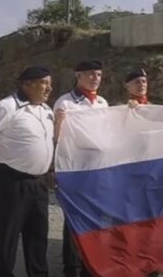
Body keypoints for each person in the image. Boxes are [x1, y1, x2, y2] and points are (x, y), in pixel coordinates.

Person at [0, 66, 54, 277]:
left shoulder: (46, 110)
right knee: (8, 235)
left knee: (38, 235)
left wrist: (49, 169)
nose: (49, 88)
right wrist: (0, 156)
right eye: (44, 83)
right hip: (11, 180)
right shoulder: (8, 106)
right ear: (27, 84)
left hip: (39, 182)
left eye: (49, 83)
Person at [54, 60, 109, 277]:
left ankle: (92, 262)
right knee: (74, 218)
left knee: (95, 217)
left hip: (98, 169)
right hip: (75, 169)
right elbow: (57, 138)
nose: (95, 78)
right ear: (78, 76)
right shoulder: (65, 103)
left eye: (98, 74)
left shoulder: (102, 103)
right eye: (90, 74)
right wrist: (58, 125)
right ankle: (72, 267)